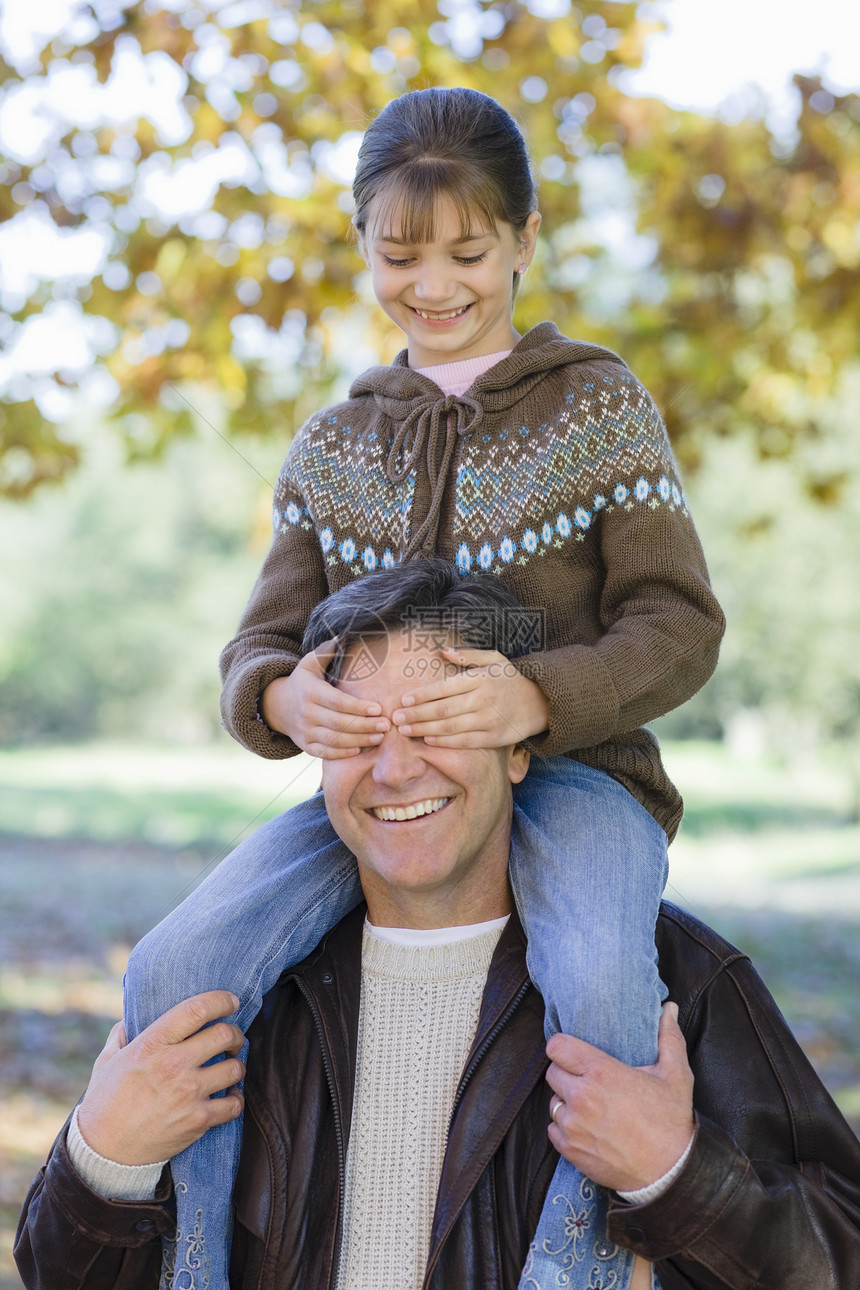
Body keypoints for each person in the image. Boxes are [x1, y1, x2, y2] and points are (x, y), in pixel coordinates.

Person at [122, 87, 726, 1290]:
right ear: (361, 247)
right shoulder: (333, 444)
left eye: (467, 252)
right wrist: (287, 703)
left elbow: (677, 623)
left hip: (577, 781)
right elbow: (260, 644)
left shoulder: (595, 407)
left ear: (523, 239)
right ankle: (195, 1266)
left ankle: (571, 1268)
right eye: (400, 257)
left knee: (602, 979)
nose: (433, 284)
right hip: (380, 793)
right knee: (169, 968)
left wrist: (536, 697)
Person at [15, 563, 860, 1290]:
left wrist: (678, 1179)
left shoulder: (672, 980)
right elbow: (59, 1275)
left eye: (436, 724)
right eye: (357, 734)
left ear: (521, 744)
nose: (395, 769)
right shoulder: (237, 992)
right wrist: (103, 1161)